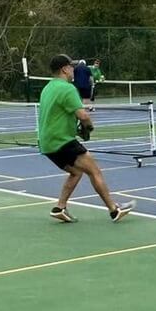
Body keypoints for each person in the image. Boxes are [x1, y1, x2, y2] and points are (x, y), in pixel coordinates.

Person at [38, 54, 133, 223]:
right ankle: (114, 210)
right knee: (94, 171)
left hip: (47, 142)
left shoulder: (47, 88)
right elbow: (82, 115)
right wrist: (89, 127)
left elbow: (57, 117)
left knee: (76, 172)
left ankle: (59, 208)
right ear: (64, 69)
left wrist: (77, 131)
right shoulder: (67, 88)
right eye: (71, 66)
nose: (73, 69)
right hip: (62, 141)